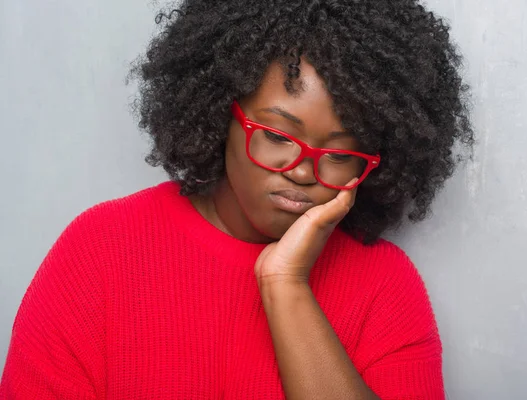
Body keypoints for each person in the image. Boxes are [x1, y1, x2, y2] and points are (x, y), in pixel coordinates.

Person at [0, 0, 472, 398]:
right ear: (218, 112)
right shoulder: (101, 251)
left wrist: (285, 284)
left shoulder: (385, 289)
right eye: (276, 135)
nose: (305, 172)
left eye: (341, 152)